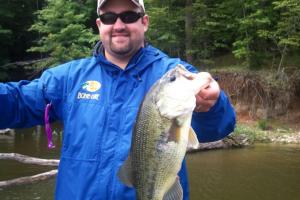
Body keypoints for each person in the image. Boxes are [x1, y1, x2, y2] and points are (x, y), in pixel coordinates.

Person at [0, 0, 236, 199]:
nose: (119, 25)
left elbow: (218, 128)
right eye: (110, 17)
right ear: (99, 24)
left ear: (144, 22)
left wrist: (212, 106)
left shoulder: (175, 74)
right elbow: (17, 102)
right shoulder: (68, 78)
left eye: (129, 15)